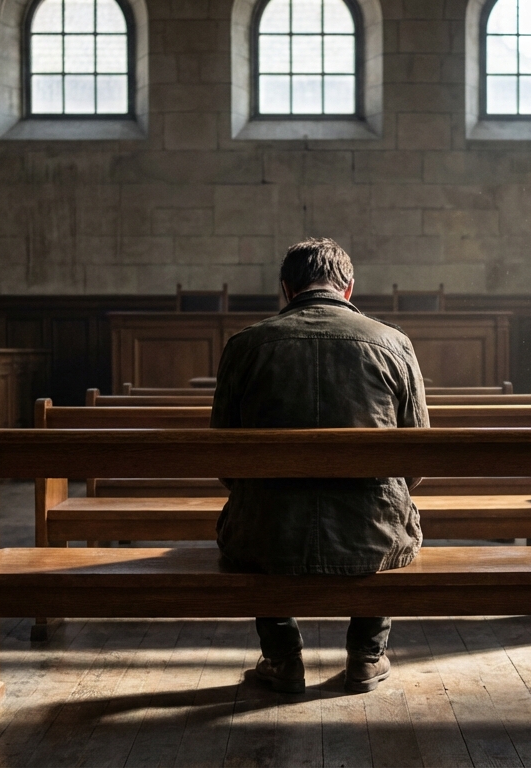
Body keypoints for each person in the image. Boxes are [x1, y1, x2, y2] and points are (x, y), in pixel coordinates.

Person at [210, 237, 430, 695]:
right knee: (389, 511)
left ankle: (282, 656)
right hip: (371, 534)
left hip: (268, 534)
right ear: (348, 288)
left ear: (287, 289)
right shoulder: (394, 343)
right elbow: (416, 459)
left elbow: (224, 459)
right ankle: (366, 655)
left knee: (254, 516)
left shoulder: (245, 346)